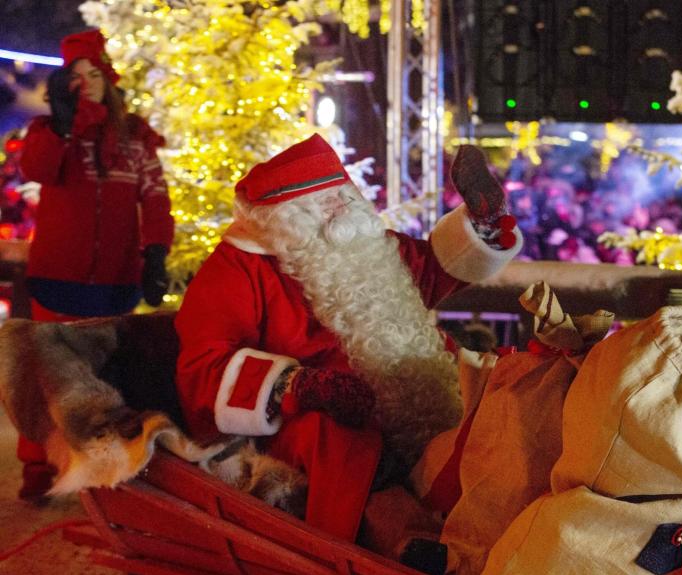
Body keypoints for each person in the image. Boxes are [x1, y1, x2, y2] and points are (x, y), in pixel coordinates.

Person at [174, 135, 521, 542]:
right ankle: (399, 548)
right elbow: (204, 369)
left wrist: (483, 224)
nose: (338, 205)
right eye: (320, 202)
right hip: (307, 422)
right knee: (338, 443)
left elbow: (433, 268)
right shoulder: (237, 271)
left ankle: (508, 510)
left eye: (341, 193)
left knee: (499, 393)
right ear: (283, 218)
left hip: (412, 400)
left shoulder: (368, 248)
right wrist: (299, 385)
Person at [15, 30, 174, 501]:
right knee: (47, 378)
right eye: (76, 78)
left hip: (117, 282)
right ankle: (38, 469)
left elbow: (157, 199)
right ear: (66, 86)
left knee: (109, 380)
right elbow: (38, 171)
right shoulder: (50, 134)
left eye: (93, 75)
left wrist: (157, 252)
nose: (86, 84)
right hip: (56, 279)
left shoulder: (136, 140)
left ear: (108, 80)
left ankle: (108, 473)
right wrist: (65, 126)